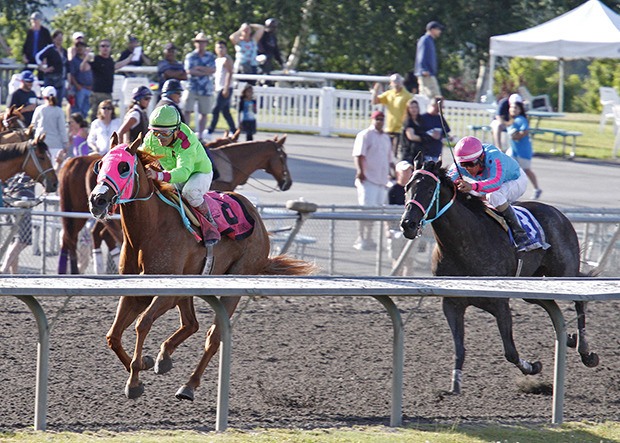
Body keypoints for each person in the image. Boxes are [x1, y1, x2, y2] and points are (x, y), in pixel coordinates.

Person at [140, 105, 220, 244]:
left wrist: (158, 175)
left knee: (190, 193)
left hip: (198, 173)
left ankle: (210, 224)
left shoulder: (187, 141)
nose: (159, 138)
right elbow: (141, 157)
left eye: (165, 133)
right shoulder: (151, 138)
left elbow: (183, 173)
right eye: (155, 132)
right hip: (173, 174)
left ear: (176, 130)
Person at [448, 136, 538, 252]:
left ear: (481, 157)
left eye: (471, 164)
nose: (468, 169)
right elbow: (448, 180)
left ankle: (520, 233)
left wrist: (473, 186)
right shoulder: (460, 164)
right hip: (487, 183)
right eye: (463, 165)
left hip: (514, 180)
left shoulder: (494, 157)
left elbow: (496, 182)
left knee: (493, 195)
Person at [352, 110, 394, 251]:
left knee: (377, 211)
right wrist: (360, 171)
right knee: (365, 210)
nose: (380, 122)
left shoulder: (386, 138)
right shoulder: (365, 135)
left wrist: (393, 171)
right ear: (372, 120)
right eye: (378, 119)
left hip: (382, 180)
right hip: (368, 178)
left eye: (382, 119)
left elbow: (389, 159)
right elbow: (358, 155)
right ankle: (361, 237)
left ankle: (369, 237)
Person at [85, 39, 133, 121]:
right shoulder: (95, 59)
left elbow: (116, 66)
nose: (105, 48)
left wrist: (129, 59)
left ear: (110, 48)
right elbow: (83, 68)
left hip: (107, 93)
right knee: (95, 116)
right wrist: (86, 57)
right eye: (102, 46)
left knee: (108, 117)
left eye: (107, 46)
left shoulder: (110, 60)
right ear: (99, 48)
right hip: (96, 93)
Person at [507, 94, 542, 200]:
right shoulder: (512, 120)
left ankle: (537, 189)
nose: (513, 109)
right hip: (513, 151)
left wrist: (517, 136)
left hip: (523, 151)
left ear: (520, 109)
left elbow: (525, 131)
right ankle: (506, 190)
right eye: (512, 107)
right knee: (507, 168)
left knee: (526, 170)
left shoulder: (521, 119)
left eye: (516, 108)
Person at [0, 174, 37, 274]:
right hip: (22, 199)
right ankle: (4, 267)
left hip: (8, 197)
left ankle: (14, 275)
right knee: (23, 240)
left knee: (13, 241)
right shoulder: (28, 160)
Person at [371, 73, 413, 157]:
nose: (396, 84)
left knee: (395, 152)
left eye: (398, 81)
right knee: (386, 151)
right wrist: (375, 91)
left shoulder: (407, 95)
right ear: (391, 83)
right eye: (394, 82)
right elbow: (375, 101)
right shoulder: (389, 94)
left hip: (401, 128)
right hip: (389, 127)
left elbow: (411, 111)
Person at [183, 32, 216, 137]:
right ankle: (185, 133)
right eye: (198, 42)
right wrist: (204, 71)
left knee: (204, 112)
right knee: (187, 110)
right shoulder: (190, 56)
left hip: (205, 88)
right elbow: (189, 70)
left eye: (202, 42)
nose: (200, 44)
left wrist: (199, 68)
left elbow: (212, 70)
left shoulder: (210, 56)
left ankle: (200, 135)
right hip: (192, 86)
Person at [30, 86, 69, 168]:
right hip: (56, 144)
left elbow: (33, 126)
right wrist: (65, 143)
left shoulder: (39, 109)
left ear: (44, 97)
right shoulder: (59, 111)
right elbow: (62, 129)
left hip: (40, 145)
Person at [386, 161, 414, 275]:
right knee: (397, 260)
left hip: (410, 230)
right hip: (395, 230)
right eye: (404, 171)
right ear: (398, 173)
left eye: (409, 171)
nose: (407, 173)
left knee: (409, 260)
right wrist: (387, 229)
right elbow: (386, 212)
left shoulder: (413, 189)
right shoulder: (392, 190)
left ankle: (411, 288)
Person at [207, 40, 236, 136]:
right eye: (218, 47)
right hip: (219, 87)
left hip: (225, 88)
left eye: (222, 47)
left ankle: (210, 130)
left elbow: (229, 73)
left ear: (226, 49)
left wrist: (226, 88)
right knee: (225, 112)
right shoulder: (217, 60)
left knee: (215, 109)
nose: (220, 49)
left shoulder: (226, 59)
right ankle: (234, 130)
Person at [35, 29, 69, 105]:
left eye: (61, 38)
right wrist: (43, 69)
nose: (60, 40)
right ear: (54, 39)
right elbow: (38, 56)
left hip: (61, 78)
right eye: (58, 38)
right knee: (49, 99)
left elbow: (67, 64)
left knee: (59, 100)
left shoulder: (64, 51)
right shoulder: (50, 49)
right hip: (51, 77)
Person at [414, 21, 444, 100]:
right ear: (432, 29)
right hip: (426, 73)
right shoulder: (425, 40)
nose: (439, 31)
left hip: (429, 73)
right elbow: (421, 55)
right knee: (433, 96)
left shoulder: (430, 40)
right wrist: (424, 69)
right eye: (438, 29)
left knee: (429, 96)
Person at [420, 96, 451, 162]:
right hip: (424, 152)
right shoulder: (422, 118)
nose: (439, 109)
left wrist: (446, 137)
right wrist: (429, 134)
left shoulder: (440, 118)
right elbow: (418, 132)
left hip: (436, 152)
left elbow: (446, 132)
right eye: (438, 107)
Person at [401, 98, 432, 163]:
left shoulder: (421, 120)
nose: (414, 109)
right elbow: (411, 137)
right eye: (411, 107)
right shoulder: (408, 121)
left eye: (415, 107)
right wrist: (424, 138)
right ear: (408, 109)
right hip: (409, 152)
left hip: (420, 151)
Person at [69, 40, 93, 118]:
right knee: (77, 109)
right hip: (80, 88)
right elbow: (71, 75)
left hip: (90, 88)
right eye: (78, 46)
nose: (80, 48)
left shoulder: (90, 60)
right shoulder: (74, 61)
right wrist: (77, 86)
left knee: (86, 109)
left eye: (82, 46)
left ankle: (83, 125)